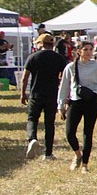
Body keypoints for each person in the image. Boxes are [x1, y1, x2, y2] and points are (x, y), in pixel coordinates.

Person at [58, 40, 97, 173]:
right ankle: (78, 155)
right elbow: (64, 87)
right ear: (79, 51)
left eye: (91, 49)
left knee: (87, 132)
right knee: (69, 132)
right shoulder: (71, 67)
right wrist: (60, 105)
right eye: (86, 49)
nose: (89, 52)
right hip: (75, 101)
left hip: (91, 101)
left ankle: (85, 164)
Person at [21, 33, 68, 161]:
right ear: (52, 44)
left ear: (41, 44)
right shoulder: (59, 58)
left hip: (36, 93)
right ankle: (48, 153)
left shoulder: (33, 57)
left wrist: (22, 93)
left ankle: (32, 138)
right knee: (49, 123)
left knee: (32, 119)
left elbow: (25, 78)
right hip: (52, 94)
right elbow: (65, 77)